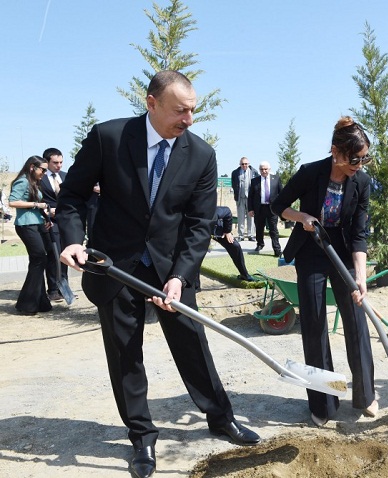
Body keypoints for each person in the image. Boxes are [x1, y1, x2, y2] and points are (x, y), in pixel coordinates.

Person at [56, 71, 260, 478]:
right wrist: (74, 240)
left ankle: (221, 417)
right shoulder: (108, 138)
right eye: (180, 110)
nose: (188, 119)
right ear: (151, 103)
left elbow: (199, 223)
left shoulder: (201, 155)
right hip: (113, 267)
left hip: (171, 272)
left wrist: (180, 276)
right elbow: (72, 196)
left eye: (193, 111)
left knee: (193, 346)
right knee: (125, 355)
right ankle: (142, 438)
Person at [271, 116, 378, 427]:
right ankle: (323, 403)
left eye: (365, 157)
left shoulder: (362, 181)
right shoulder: (310, 172)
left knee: (357, 321)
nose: (360, 163)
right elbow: (278, 205)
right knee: (315, 324)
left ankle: (366, 395)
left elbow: (360, 232)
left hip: (343, 252)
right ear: (336, 151)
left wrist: (360, 276)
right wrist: (302, 215)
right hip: (311, 252)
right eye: (354, 158)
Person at [8, 156, 53, 315]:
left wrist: (45, 216)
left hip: (37, 223)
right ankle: (26, 303)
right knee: (39, 258)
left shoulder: (34, 183)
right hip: (26, 225)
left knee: (41, 259)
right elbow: (12, 202)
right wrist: (36, 204)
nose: (44, 173)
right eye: (43, 169)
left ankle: (40, 302)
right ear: (32, 167)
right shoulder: (23, 181)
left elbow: (37, 205)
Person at [39, 147, 69, 302]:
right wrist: (47, 212)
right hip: (49, 221)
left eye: (61, 162)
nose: (59, 165)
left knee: (66, 254)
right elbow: (37, 199)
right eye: (55, 162)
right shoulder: (40, 178)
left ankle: (64, 288)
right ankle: (52, 290)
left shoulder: (66, 176)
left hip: (66, 221)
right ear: (47, 162)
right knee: (53, 254)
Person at [248, 161, 282, 256]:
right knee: (259, 228)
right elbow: (250, 196)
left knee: (273, 230)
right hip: (259, 208)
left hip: (272, 209)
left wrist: (281, 208)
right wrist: (250, 209)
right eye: (262, 169)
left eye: (265, 169)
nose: (264, 171)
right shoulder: (254, 181)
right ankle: (260, 244)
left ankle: (277, 249)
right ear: (259, 170)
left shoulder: (276, 179)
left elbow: (282, 194)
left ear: (269, 169)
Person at [212, 205, 255, 281]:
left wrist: (227, 231)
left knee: (235, 246)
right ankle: (196, 286)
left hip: (216, 229)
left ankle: (244, 274)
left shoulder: (215, 212)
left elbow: (227, 212)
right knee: (197, 255)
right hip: (196, 232)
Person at [231, 157, 258, 241]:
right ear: (240, 164)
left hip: (251, 198)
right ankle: (241, 235)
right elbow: (233, 184)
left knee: (251, 216)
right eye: (242, 164)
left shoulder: (254, 172)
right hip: (240, 197)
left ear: (248, 164)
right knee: (240, 217)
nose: (244, 165)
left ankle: (251, 235)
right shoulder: (235, 172)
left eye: (246, 164)